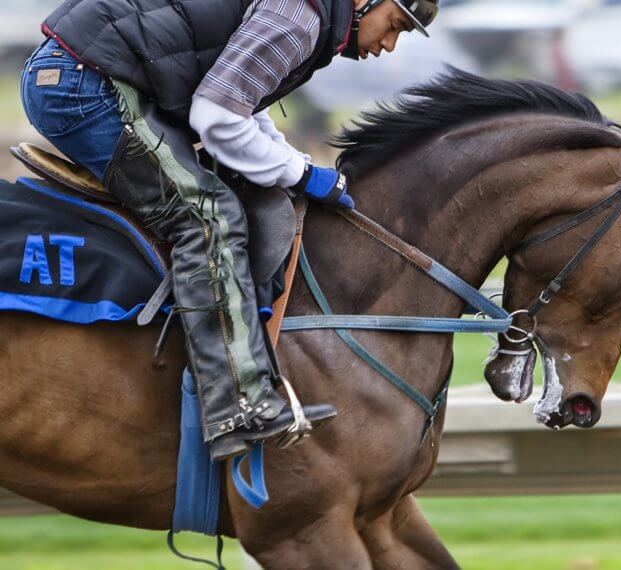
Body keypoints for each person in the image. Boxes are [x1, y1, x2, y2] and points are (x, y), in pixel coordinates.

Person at [21, 0, 439, 460]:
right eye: (394, 26)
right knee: (208, 217)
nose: (388, 45)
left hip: (87, 75)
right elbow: (217, 118)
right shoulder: (301, 17)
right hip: (84, 87)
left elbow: (240, 102)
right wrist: (302, 176)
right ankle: (237, 404)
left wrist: (296, 166)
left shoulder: (306, 14)